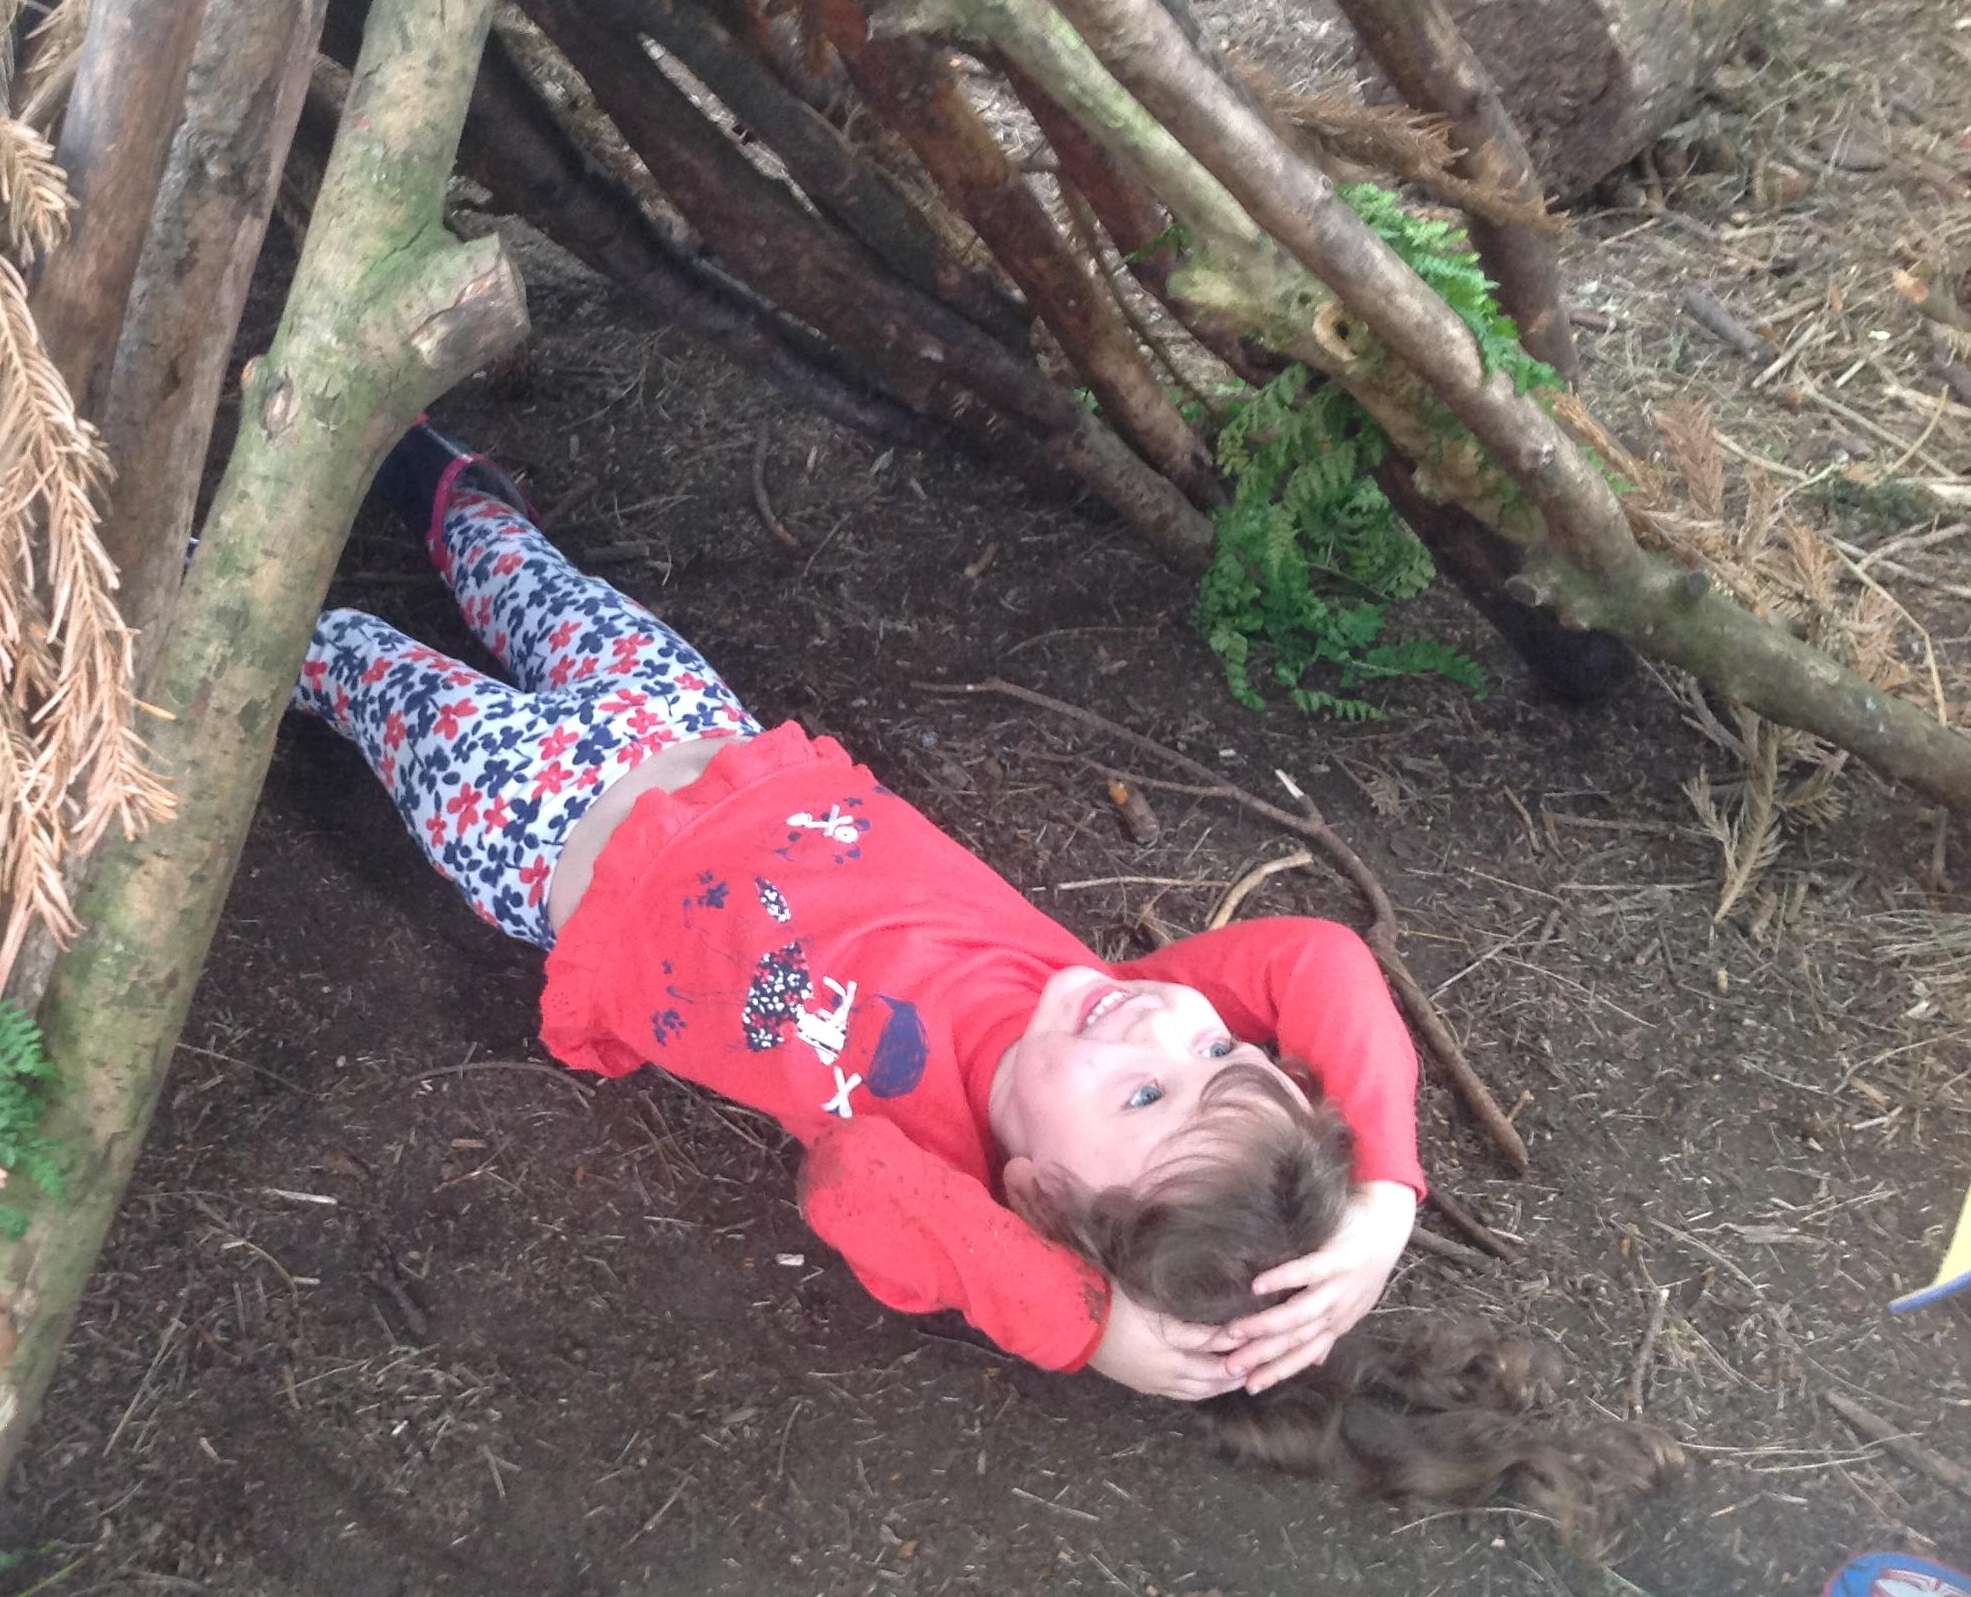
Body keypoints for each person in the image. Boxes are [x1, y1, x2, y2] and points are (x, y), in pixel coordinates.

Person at [292, 421, 1680, 1537]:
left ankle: (236, 590)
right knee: (524, 570)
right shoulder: (1088, 997)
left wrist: (1084, 1328)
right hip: (701, 731)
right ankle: (422, 467)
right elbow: (1317, 958)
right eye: (1218, 1056)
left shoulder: (938, 1165)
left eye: (1145, 1097)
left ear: (1042, 1199)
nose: (1166, 1022)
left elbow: (846, 1187)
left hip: (549, 840)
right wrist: (1383, 1194)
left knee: (361, 664)